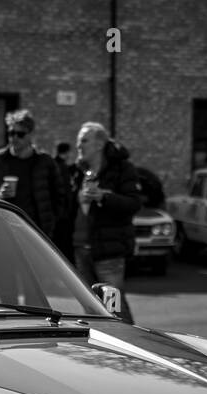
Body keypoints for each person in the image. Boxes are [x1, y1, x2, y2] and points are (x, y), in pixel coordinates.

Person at [69, 121, 141, 322]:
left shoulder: (121, 169)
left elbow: (134, 203)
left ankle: (132, 345)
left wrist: (103, 197)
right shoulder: (78, 170)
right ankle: (102, 348)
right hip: (81, 249)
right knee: (91, 309)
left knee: (114, 306)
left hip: (108, 251)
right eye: (78, 141)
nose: (79, 146)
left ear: (99, 144)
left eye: (84, 141)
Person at [0, 109, 67, 240]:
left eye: (20, 134)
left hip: (36, 233)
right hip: (2, 231)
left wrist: (50, 221)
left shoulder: (45, 162)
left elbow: (60, 196)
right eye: (11, 133)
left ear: (30, 135)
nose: (14, 138)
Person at [52, 141, 76, 259]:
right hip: (62, 215)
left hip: (57, 213)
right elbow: (65, 191)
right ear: (67, 153)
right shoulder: (62, 167)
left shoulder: (53, 164)